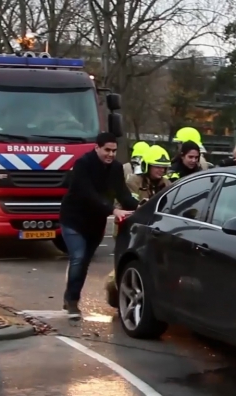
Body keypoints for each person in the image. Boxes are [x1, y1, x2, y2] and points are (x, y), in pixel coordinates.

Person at [59, 132, 139, 319]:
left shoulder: (116, 168)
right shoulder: (83, 164)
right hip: (73, 220)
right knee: (78, 257)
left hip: (95, 223)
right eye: (107, 150)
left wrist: (141, 207)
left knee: (84, 261)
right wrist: (113, 210)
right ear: (97, 148)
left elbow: (123, 194)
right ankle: (72, 301)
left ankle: (69, 295)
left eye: (114, 151)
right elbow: (87, 194)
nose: (111, 154)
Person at [104, 145, 174, 306]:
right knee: (128, 263)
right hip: (129, 229)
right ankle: (114, 288)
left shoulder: (167, 184)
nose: (161, 171)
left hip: (154, 230)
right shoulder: (133, 182)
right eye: (157, 166)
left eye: (164, 167)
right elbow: (129, 204)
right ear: (147, 166)